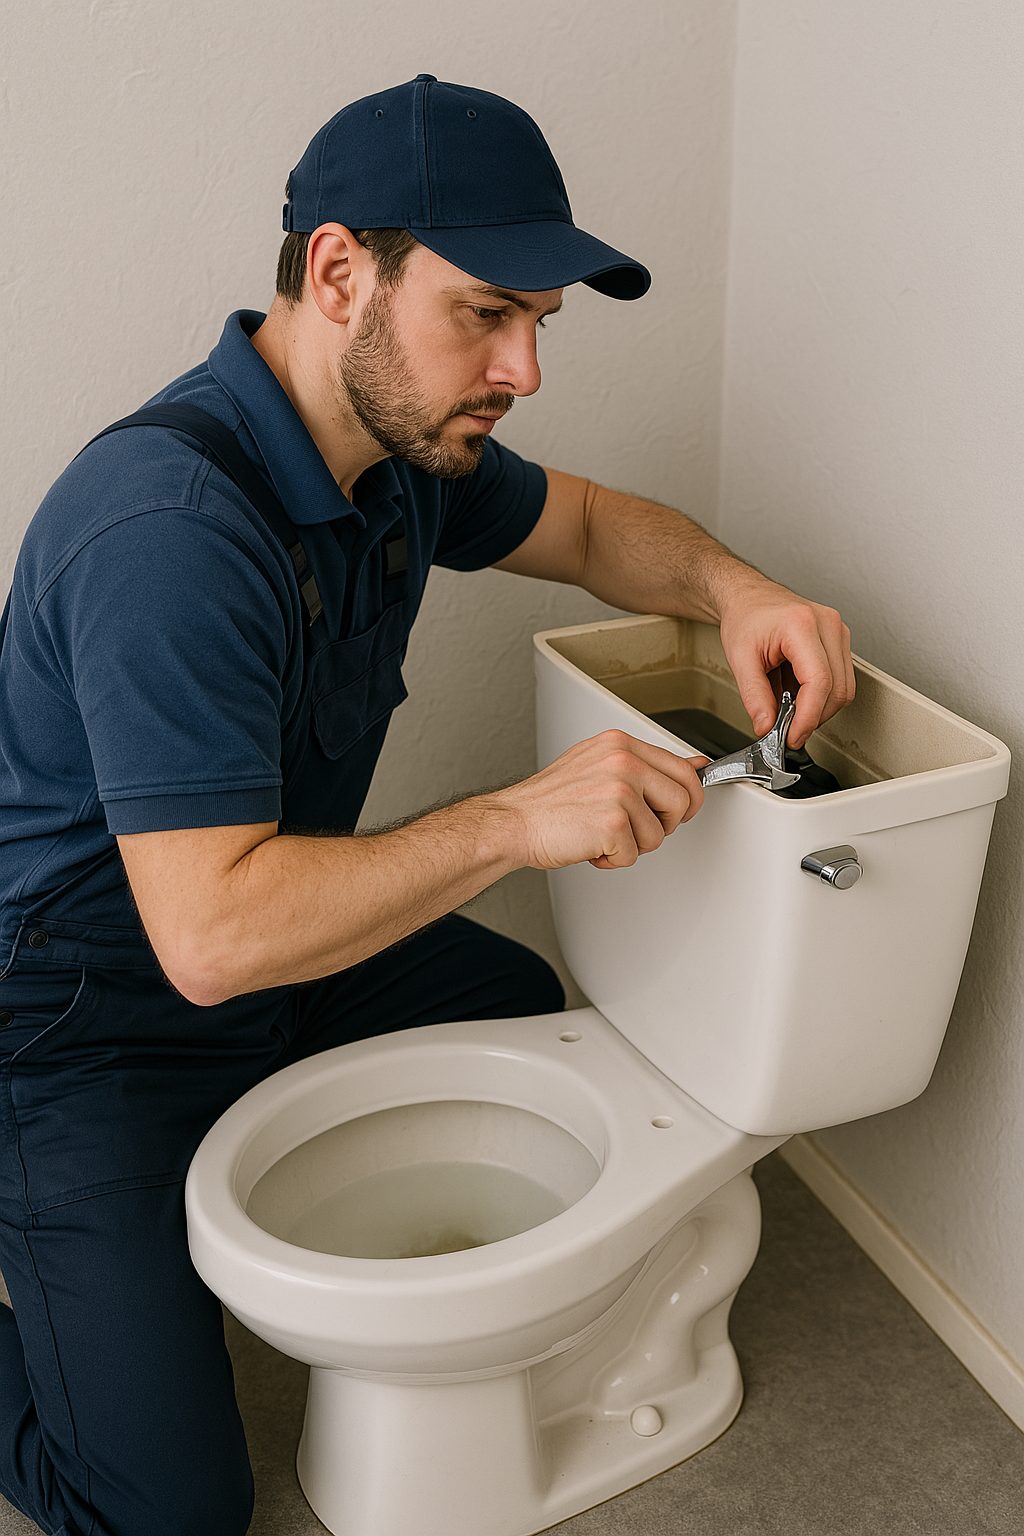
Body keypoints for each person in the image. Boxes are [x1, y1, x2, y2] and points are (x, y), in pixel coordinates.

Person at [0, 74, 854, 1536]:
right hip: (81, 1023)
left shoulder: (401, 456)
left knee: (524, 1018)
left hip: (270, 964)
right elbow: (209, 939)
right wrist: (517, 820)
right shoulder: (169, 533)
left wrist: (740, 592)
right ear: (341, 274)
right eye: (487, 313)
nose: (524, 368)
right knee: (167, 1514)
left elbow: (592, 527)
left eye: (542, 323)